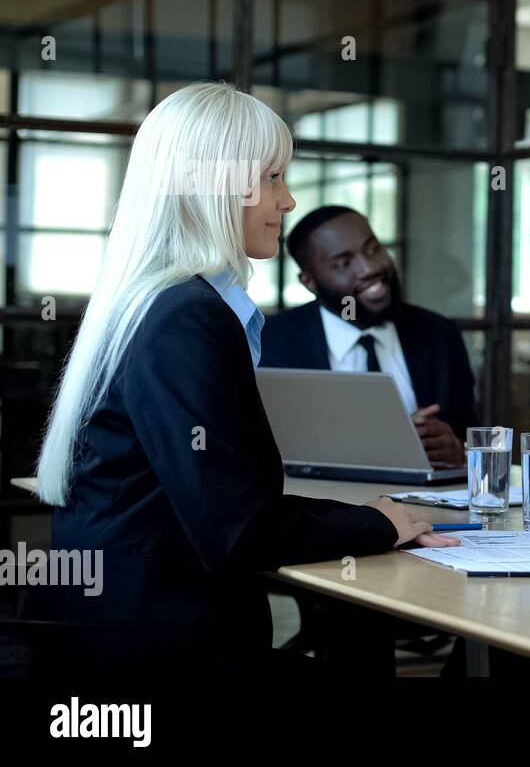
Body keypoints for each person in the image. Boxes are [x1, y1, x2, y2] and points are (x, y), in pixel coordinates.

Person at [28, 82, 456, 675]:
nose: (288, 200)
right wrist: (377, 522)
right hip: (154, 650)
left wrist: (367, 518)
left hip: (124, 630)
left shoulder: (153, 302)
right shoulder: (185, 315)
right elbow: (235, 527)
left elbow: (225, 504)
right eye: (274, 177)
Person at [261, 205, 478, 466]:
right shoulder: (272, 341)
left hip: (427, 503)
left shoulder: (438, 334)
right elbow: (266, 449)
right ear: (310, 281)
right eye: (344, 263)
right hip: (322, 503)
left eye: (373, 249)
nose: (369, 268)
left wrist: (459, 452)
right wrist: (390, 444)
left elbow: (472, 437)